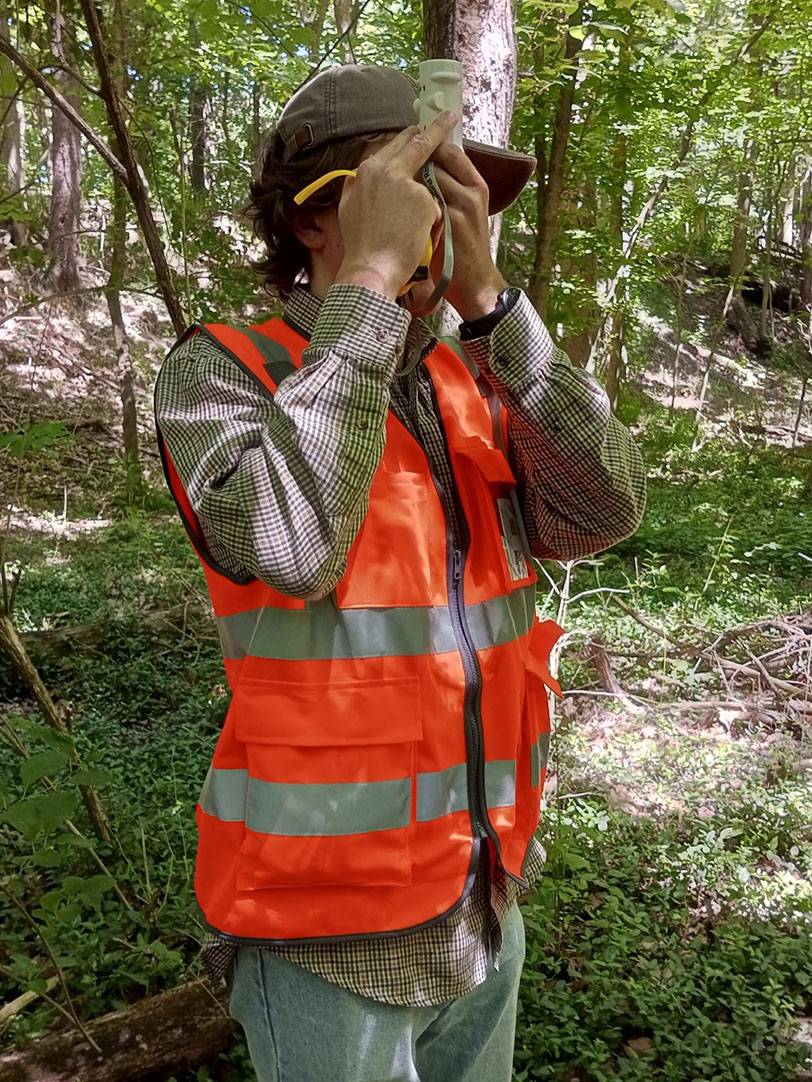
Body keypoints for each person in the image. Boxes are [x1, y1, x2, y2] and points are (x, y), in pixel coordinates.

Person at [153, 63, 646, 1082]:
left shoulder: (472, 371)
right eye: (421, 187)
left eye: (456, 193)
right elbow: (289, 548)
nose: (445, 214)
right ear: (315, 216)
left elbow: (603, 510)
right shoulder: (225, 370)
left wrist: (491, 302)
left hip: (480, 898)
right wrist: (370, 290)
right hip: (326, 934)